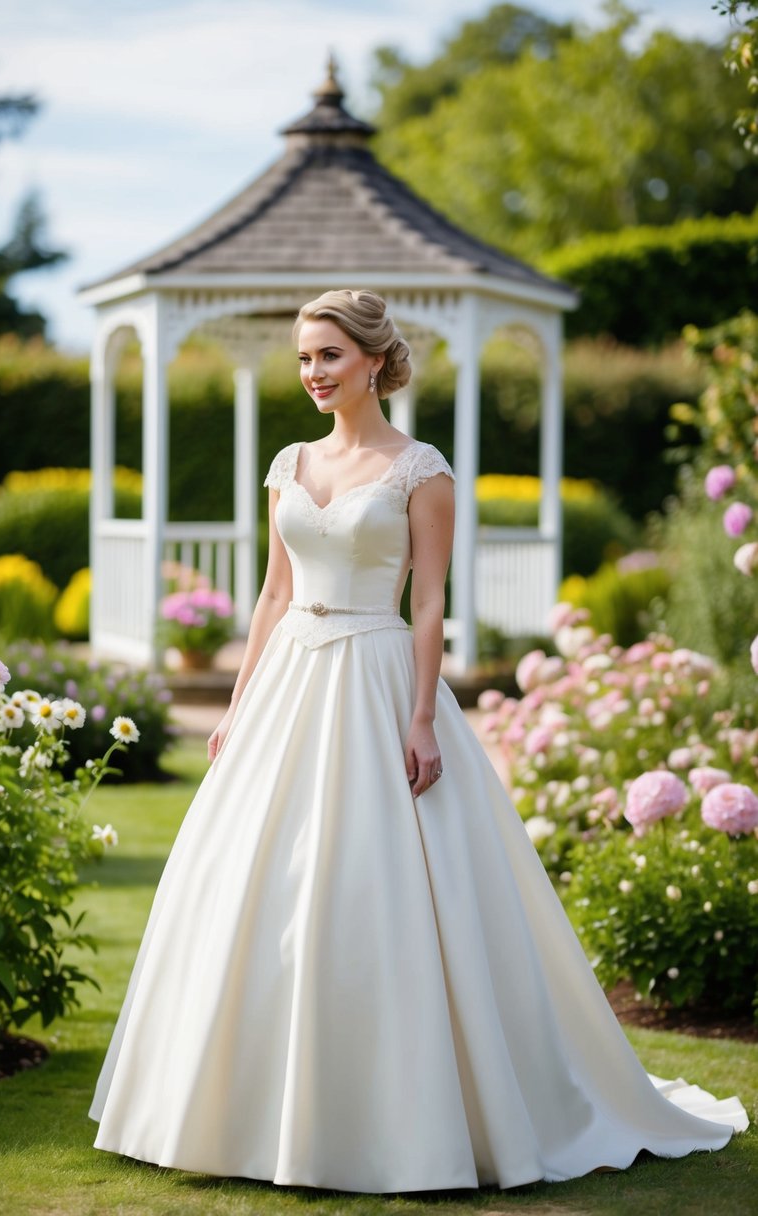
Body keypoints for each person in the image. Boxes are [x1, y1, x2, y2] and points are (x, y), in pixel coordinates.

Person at [89, 289, 746, 1193]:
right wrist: (238, 704)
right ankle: (232, 1113)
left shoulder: (420, 469)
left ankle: (412, 1113)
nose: (312, 374)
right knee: (254, 884)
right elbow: (273, 596)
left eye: (326, 356)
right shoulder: (286, 462)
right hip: (287, 680)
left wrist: (423, 715)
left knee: (379, 883)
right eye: (302, 359)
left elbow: (428, 601)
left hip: (376, 674)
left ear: (371, 359)